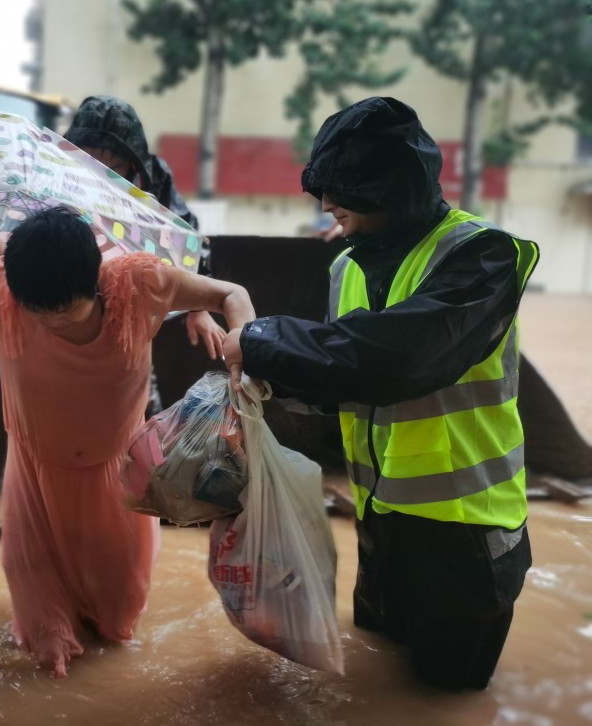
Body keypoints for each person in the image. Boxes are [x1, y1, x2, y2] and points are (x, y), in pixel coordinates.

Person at [221, 97, 539, 691]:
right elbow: (343, 373)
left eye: (342, 189)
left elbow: (398, 357)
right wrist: (266, 386)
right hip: (381, 521)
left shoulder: (482, 256)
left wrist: (261, 340)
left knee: (446, 694)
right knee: (378, 672)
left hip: (464, 534)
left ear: (389, 189)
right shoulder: (348, 266)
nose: (326, 204)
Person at [0, 206, 254, 677]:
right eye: (38, 312)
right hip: (32, 474)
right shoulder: (2, 283)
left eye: (66, 311)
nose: (52, 323)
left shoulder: (139, 285)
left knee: (118, 623)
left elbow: (233, 293)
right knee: (43, 642)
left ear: (95, 282)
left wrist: (243, 341)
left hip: (118, 475)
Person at [64, 95, 224, 414]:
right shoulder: (57, 177)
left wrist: (197, 308)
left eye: (115, 168)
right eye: (90, 163)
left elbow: (185, 234)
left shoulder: (153, 179)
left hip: (131, 307)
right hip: (71, 306)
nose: (102, 177)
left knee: (139, 401)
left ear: (134, 166)